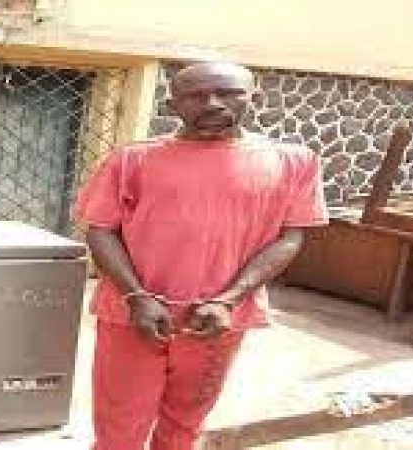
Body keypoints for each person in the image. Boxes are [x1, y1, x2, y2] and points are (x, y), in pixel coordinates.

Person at [73, 61, 329, 450]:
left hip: (217, 322)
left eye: (228, 93)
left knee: (184, 427)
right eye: (195, 95)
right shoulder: (131, 160)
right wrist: (137, 297)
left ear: (254, 98)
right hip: (132, 317)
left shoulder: (293, 162)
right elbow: (101, 230)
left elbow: (289, 239)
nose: (211, 104)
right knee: (118, 430)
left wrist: (227, 301)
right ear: (172, 104)